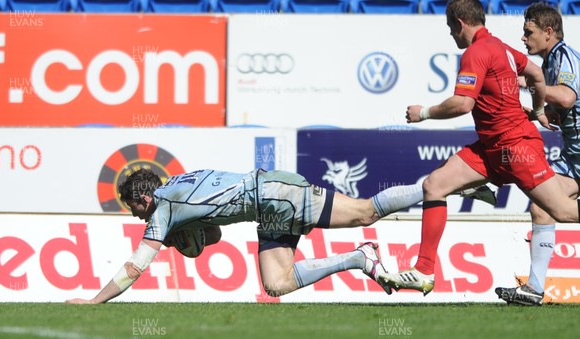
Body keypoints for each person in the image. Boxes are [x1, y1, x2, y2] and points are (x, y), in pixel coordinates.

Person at [375, 0, 580, 297]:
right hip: (491, 147)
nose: (451, 36)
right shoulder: (501, 48)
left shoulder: (478, 52)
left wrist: (424, 114)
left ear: (459, 24)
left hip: (514, 146)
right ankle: (423, 271)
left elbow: (463, 103)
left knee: (561, 210)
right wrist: (537, 111)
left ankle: (480, 187)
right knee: (435, 185)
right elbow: (534, 74)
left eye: (450, 29)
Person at [66, 167, 434, 303]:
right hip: (267, 205)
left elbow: (135, 266)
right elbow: (213, 236)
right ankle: (358, 257)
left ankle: (439, 188)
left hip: (275, 194)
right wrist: (188, 238)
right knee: (277, 283)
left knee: (363, 212)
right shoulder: (176, 186)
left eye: (133, 208)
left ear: (144, 198)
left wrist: (94, 302)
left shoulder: (162, 209)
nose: (135, 216)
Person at [495, 2, 580, 306]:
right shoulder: (550, 63)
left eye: (528, 31)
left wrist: (529, 83)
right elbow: (563, 109)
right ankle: (533, 288)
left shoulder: (565, 56)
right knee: (542, 208)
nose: (523, 38)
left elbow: (569, 97)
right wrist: (539, 113)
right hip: (574, 161)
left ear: (548, 32)